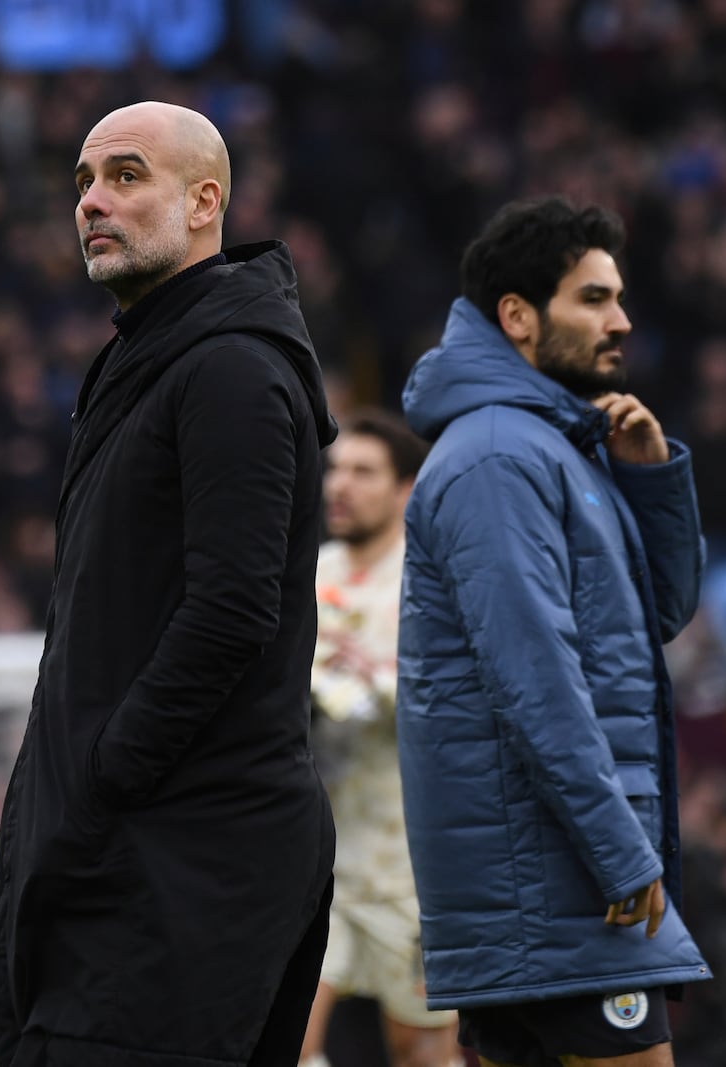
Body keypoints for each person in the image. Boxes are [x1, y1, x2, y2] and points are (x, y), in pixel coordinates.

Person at [0, 100, 338, 1067]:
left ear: (204, 202)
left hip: (184, 866)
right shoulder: (148, 360)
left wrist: (107, 774)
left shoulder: (230, 369)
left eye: (127, 176)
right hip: (133, 859)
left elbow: (231, 609)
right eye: (85, 183)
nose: (93, 202)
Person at [396, 197, 711, 1067]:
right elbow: (533, 677)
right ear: (518, 317)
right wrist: (620, 852)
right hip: (557, 886)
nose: (623, 320)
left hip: (544, 884)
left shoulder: (549, 448)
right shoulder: (500, 457)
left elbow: (656, 623)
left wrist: (649, 485)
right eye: (594, 299)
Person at [298, 410, 459, 1067]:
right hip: (318, 864)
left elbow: (452, 701)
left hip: (412, 868)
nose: (341, 484)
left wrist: (368, 678)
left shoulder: (436, 582)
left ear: (405, 489)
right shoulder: (306, 574)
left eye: (363, 471)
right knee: (284, 1042)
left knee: (420, 1053)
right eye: (336, 469)